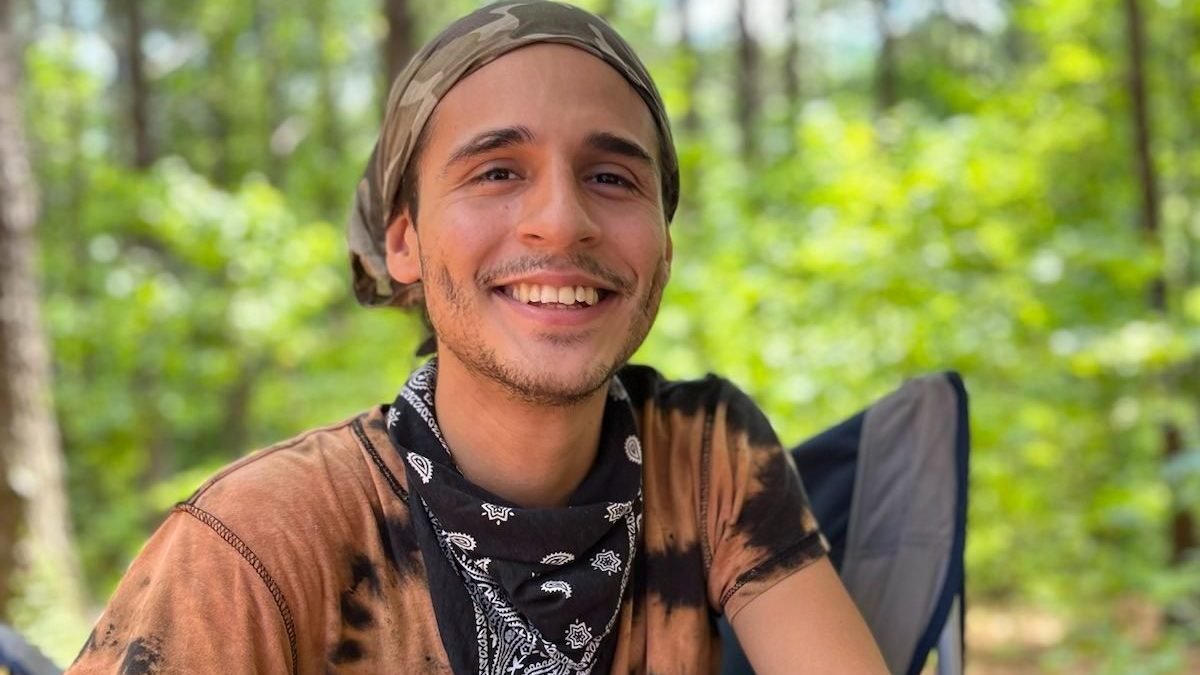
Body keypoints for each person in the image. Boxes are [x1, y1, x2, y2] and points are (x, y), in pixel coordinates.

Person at [68, 2, 888, 673]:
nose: (561, 219)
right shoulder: (259, 543)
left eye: (612, 177)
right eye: (497, 171)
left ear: (664, 247)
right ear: (404, 242)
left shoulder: (702, 457)